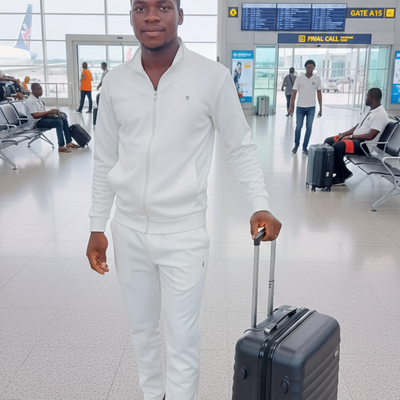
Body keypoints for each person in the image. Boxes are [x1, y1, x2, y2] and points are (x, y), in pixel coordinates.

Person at [86, 1, 282, 399]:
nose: (151, 16)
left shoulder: (211, 77)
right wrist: (97, 225)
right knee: (142, 331)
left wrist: (259, 203)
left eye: (163, 6)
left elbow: (240, 146)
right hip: (127, 229)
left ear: (180, 14)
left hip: (183, 233)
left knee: (182, 340)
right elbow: (105, 157)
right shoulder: (116, 82)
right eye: (140, 7)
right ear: (131, 15)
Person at [324, 88, 389, 186]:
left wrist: (350, 137)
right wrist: (344, 134)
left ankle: (340, 177)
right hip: (356, 140)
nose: (365, 98)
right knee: (329, 141)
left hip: (364, 145)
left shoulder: (381, 114)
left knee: (338, 146)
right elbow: (358, 126)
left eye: (366, 96)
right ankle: (343, 171)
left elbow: (371, 136)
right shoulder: (369, 110)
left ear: (371, 98)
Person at [25, 83, 79, 153]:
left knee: (63, 118)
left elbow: (42, 111)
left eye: (41, 88)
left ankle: (69, 142)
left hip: (42, 118)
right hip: (36, 122)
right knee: (58, 122)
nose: (41, 90)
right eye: (39, 89)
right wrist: (49, 112)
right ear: (33, 90)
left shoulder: (38, 99)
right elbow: (35, 116)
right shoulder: (30, 101)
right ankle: (61, 146)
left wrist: (52, 111)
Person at [288, 60, 322, 155]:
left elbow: (319, 94)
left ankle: (305, 147)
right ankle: (296, 145)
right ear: (305, 68)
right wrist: (291, 107)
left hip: (311, 107)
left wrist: (320, 108)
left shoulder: (317, 79)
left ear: (314, 68)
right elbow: (294, 93)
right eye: (308, 67)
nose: (309, 69)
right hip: (300, 107)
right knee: (298, 127)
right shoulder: (299, 79)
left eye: (311, 67)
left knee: (309, 128)